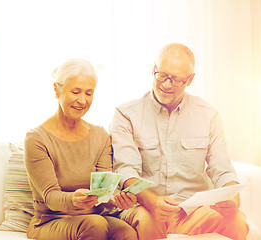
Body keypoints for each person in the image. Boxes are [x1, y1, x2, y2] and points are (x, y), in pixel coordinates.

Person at [109, 43, 249, 240]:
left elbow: (222, 169)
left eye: (176, 80)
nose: (166, 84)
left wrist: (233, 200)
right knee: (148, 221)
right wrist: (153, 202)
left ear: (190, 80)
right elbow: (125, 171)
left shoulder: (208, 114)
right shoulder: (126, 114)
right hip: (145, 209)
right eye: (162, 75)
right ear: (153, 69)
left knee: (236, 221)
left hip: (192, 211)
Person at [24, 59, 138, 240]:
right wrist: (72, 200)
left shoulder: (100, 135)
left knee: (127, 233)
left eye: (89, 93)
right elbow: (50, 197)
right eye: (75, 91)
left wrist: (117, 199)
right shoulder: (37, 138)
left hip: (93, 218)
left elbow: (104, 191)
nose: (82, 100)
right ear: (57, 89)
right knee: (95, 225)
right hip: (51, 220)